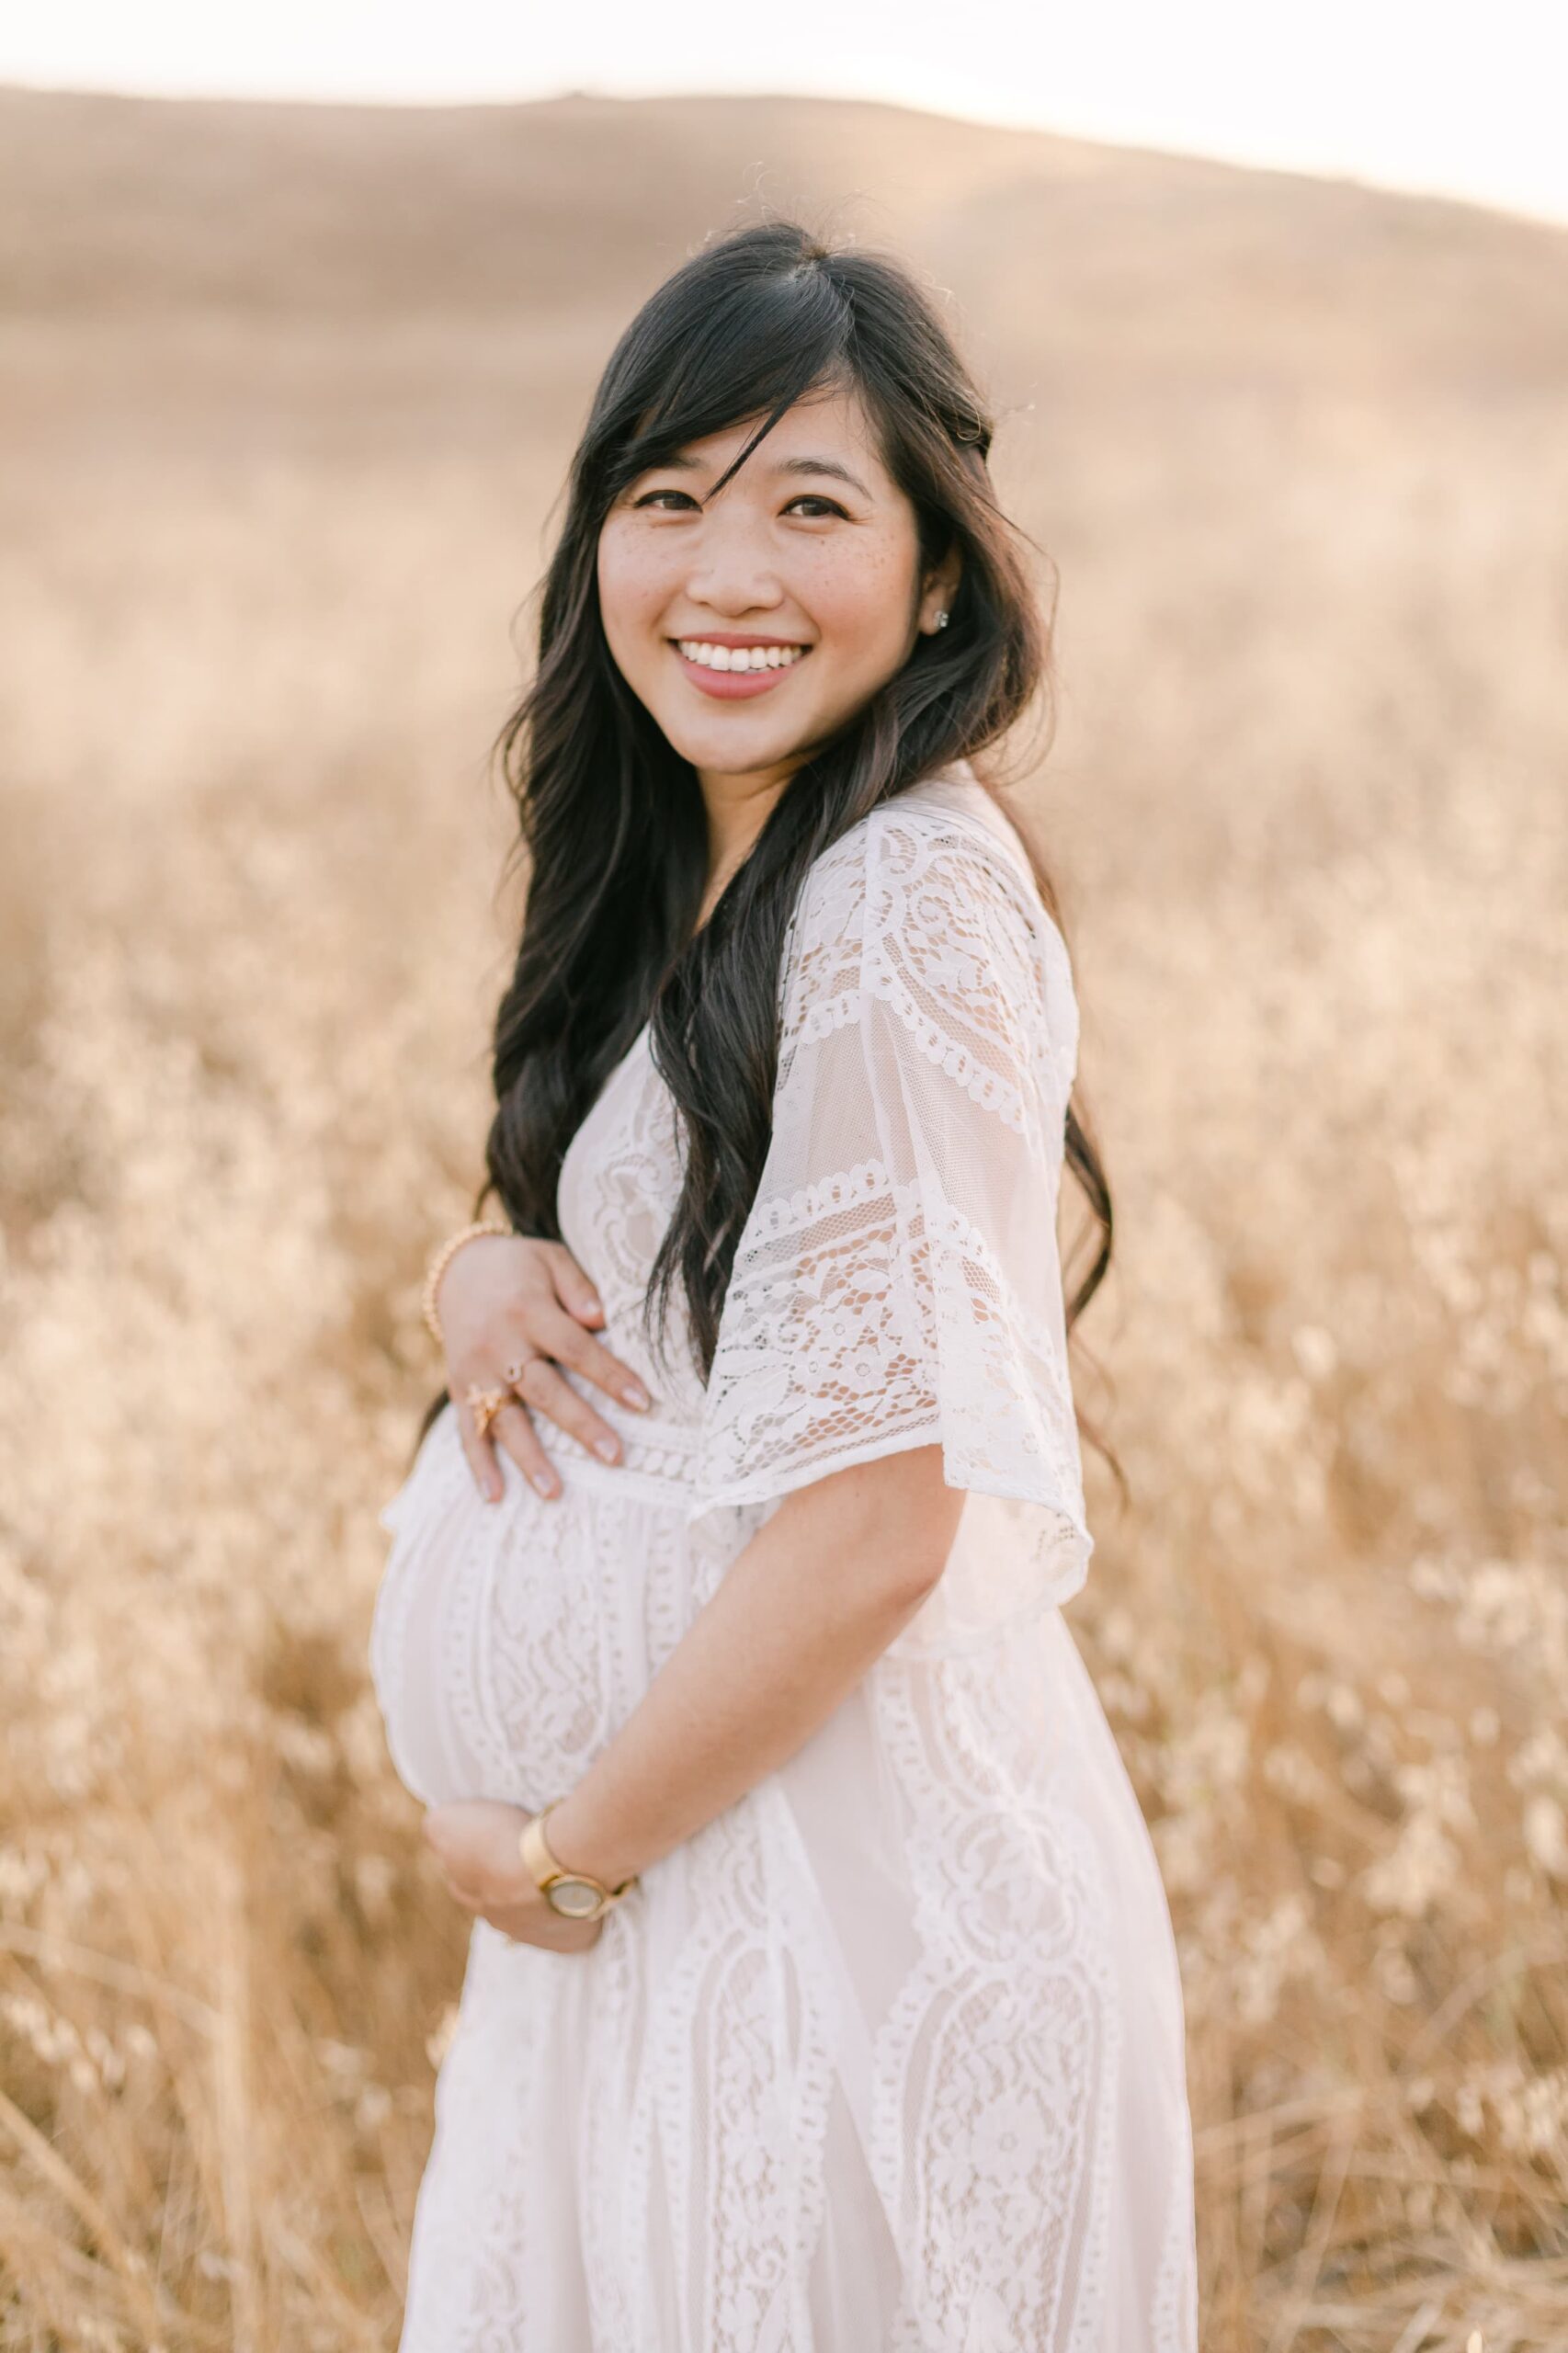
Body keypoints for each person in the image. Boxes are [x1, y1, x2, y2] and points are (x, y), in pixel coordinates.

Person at [369, 216, 1199, 2350]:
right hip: (688, 1893)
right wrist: (485, 1263)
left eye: (807, 504)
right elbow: (666, 1289)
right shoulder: (708, 865)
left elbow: (872, 1519)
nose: (723, 574)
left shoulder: (902, 885)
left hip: (821, 1915)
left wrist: (561, 1853)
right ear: (598, 543)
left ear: (935, 571)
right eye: (667, 501)